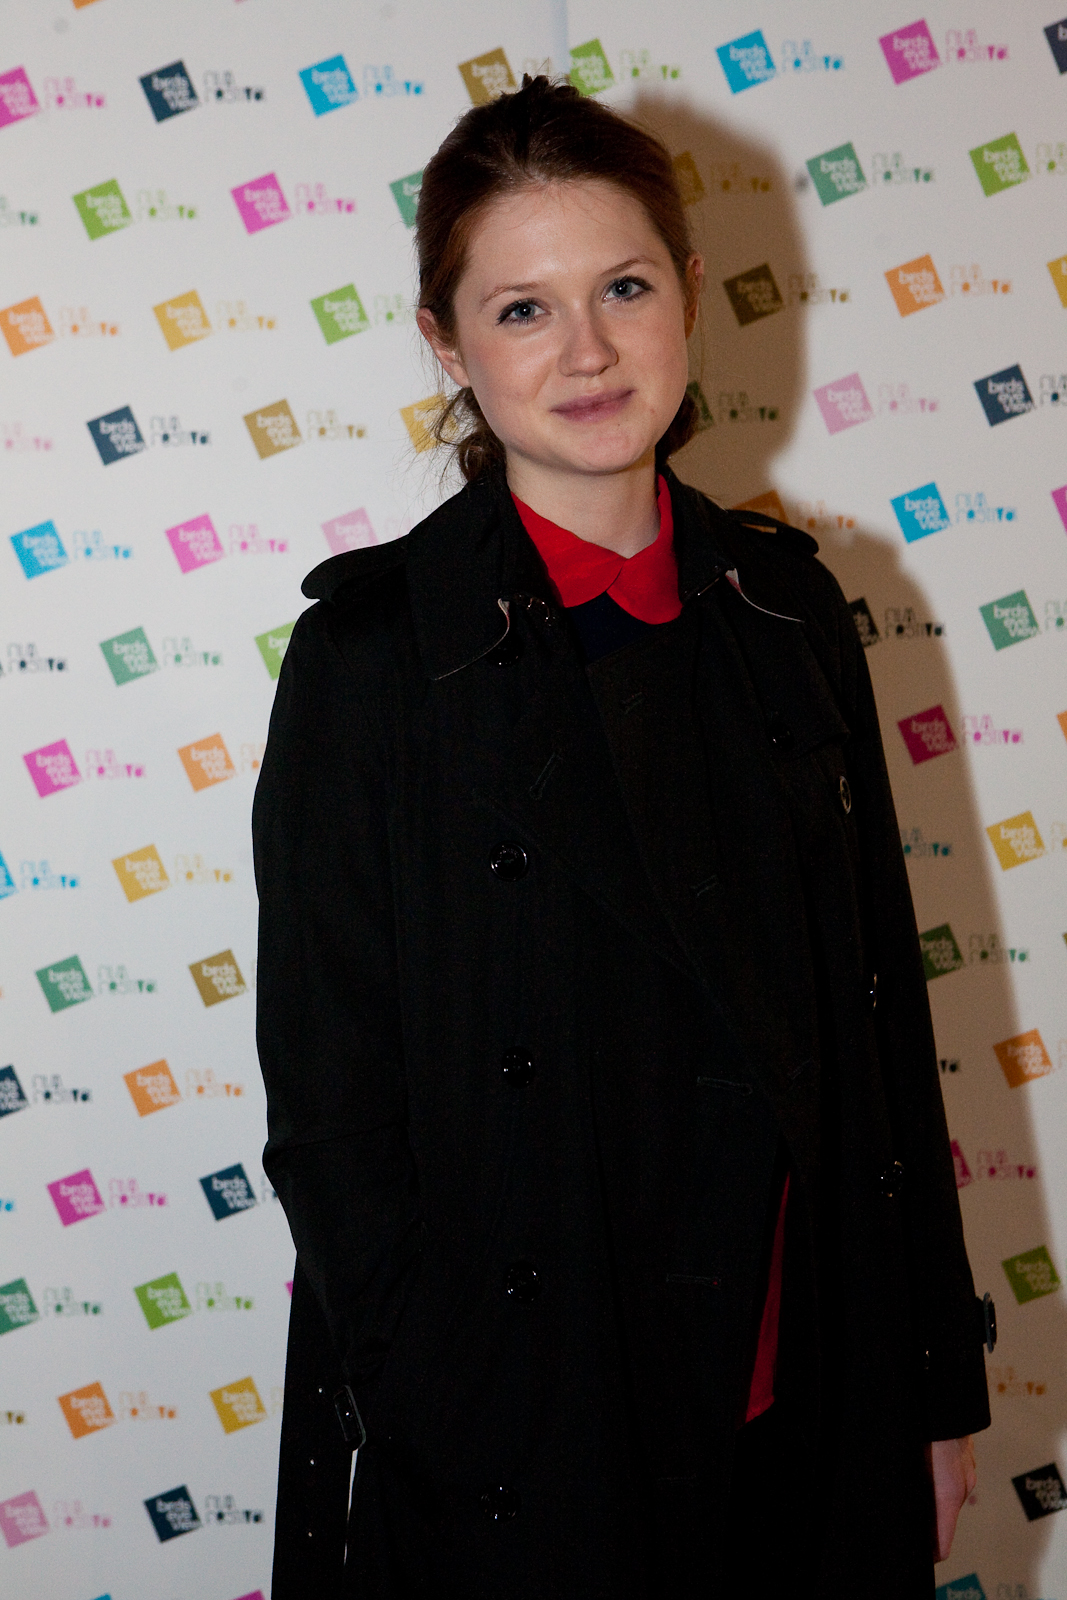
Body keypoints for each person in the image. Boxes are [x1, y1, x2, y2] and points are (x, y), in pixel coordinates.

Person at [253, 76, 992, 1598]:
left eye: (624, 288)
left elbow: (882, 1034)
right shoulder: (378, 657)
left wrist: (932, 1382)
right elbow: (330, 1111)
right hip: (531, 1436)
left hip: (805, 1403)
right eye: (522, 310)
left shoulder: (787, 612)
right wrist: (445, 1410)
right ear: (448, 346)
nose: (586, 351)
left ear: (692, 299)